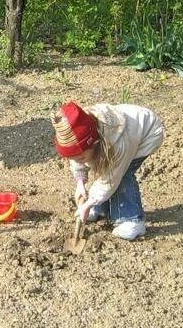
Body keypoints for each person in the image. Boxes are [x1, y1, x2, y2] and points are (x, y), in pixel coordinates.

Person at [52, 100, 165, 240]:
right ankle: (101, 208)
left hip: (147, 135)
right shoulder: (78, 131)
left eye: (80, 157)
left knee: (122, 175)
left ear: (94, 144)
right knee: (104, 170)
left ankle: (132, 220)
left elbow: (111, 179)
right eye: (73, 157)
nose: (77, 160)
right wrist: (80, 183)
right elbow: (77, 157)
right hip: (125, 136)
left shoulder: (118, 143)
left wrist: (88, 203)